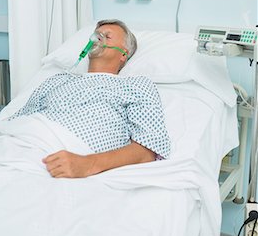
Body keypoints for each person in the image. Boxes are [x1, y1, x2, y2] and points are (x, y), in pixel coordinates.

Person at [10, 19, 170, 179]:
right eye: (96, 35)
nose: (97, 39)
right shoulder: (58, 79)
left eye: (107, 37)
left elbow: (147, 151)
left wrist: (88, 164)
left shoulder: (134, 86)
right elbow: (17, 122)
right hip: (23, 146)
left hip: (69, 157)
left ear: (123, 54)